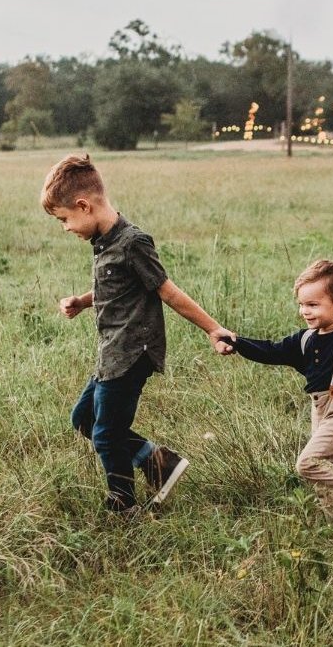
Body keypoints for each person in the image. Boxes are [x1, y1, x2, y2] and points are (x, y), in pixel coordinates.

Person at [41, 154, 235, 514]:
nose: (65, 228)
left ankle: (123, 505)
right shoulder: (104, 242)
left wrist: (213, 329)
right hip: (111, 352)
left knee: (106, 434)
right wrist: (82, 301)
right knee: (84, 419)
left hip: (132, 353)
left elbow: (167, 291)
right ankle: (158, 462)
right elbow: (115, 286)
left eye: (64, 219)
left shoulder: (133, 242)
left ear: (83, 206)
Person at [222, 260, 333, 527]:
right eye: (302, 304)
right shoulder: (305, 339)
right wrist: (236, 342)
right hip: (320, 413)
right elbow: (271, 351)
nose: (305, 311)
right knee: (327, 476)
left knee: (308, 463)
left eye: (313, 304)